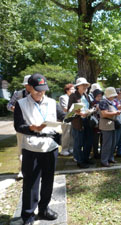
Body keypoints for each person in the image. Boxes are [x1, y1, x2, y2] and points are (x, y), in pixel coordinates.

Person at [14, 73, 65, 224]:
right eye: (37, 90)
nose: (40, 93)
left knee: (48, 181)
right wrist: (32, 127)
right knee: (30, 183)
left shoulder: (51, 102)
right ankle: (28, 215)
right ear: (29, 88)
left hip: (50, 146)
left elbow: (62, 116)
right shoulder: (21, 104)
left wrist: (74, 114)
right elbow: (18, 126)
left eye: (43, 89)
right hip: (31, 148)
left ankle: (44, 209)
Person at [7, 74, 31, 179]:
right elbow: (9, 105)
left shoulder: (38, 93)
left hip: (34, 124)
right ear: (26, 85)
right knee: (21, 148)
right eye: (29, 84)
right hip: (21, 124)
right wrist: (15, 108)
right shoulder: (18, 94)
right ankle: (22, 170)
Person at [68, 77, 93, 168]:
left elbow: (89, 105)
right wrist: (80, 113)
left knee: (88, 141)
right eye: (83, 85)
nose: (85, 86)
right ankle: (80, 161)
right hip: (78, 122)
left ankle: (86, 158)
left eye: (86, 85)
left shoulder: (86, 95)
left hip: (87, 120)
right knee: (78, 142)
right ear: (78, 86)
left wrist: (91, 110)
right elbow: (70, 109)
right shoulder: (73, 95)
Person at [99, 87, 121, 167]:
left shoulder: (111, 102)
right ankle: (104, 160)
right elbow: (104, 113)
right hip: (106, 125)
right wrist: (115, 113)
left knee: (113, 143)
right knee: (107, 144)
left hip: (112, 124)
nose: (114, 96)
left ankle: (110, 158)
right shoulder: (103, 102)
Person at [59, 83, 75, 156]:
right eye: (72, 89)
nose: (73, 90)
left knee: (72, 134)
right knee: (66, 134)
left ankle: (71, 148)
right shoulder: (63, 97)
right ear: (67, 90)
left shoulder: (74, 97)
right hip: (65, 118)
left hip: (73, 117)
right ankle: (64, 149)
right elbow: (65, 108)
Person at [91, 89, 104, 159]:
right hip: (95, 124)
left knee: (102, 139)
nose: (99, 97)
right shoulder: (92, 103)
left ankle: (102, 153)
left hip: (102, 123)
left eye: (100, 96)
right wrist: (96, 109)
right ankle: (95, 153)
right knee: (95, 140)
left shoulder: (102, 102)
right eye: (98, 96)